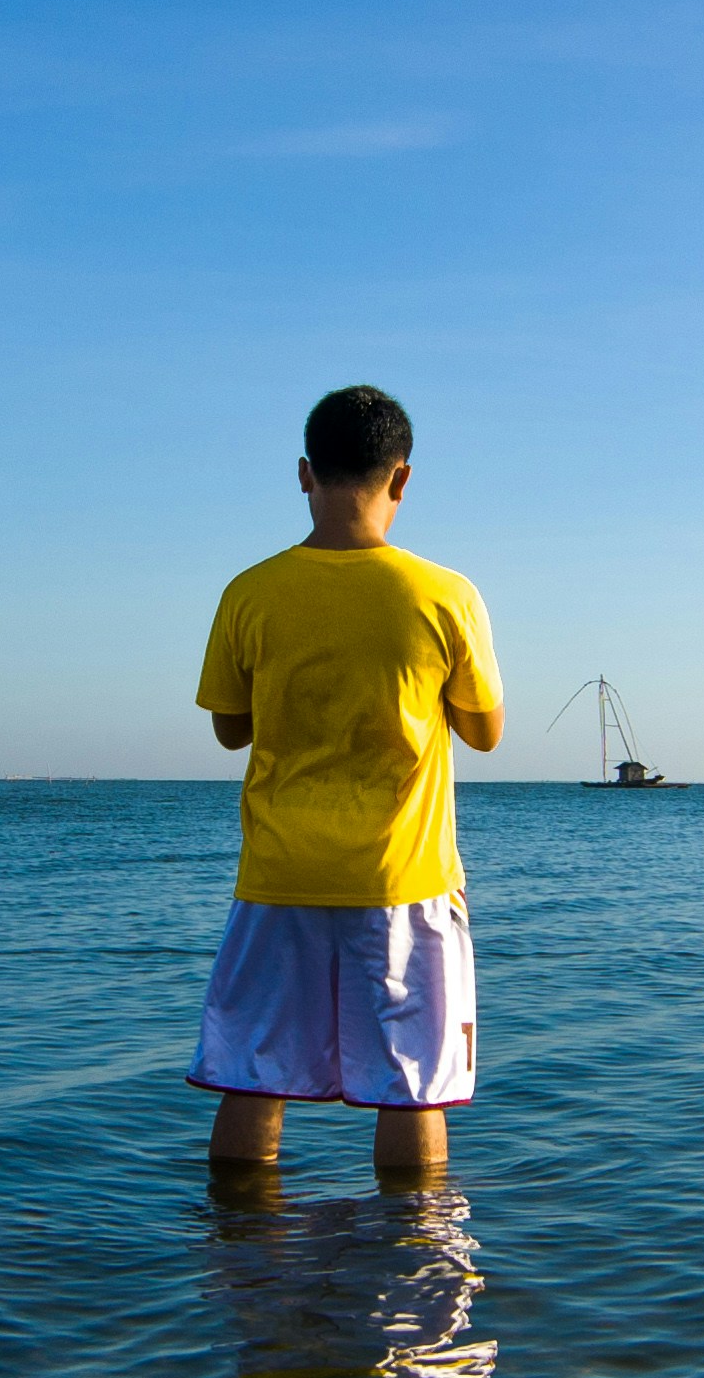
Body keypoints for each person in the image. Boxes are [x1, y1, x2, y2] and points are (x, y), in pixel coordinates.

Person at [190, 384, 505, 1180]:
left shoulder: (249, 591)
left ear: (304, 473)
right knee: (412, 1091)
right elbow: (485, 731)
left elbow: (231, 728)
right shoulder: (444, 595)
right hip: (402, 881)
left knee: (250, 1080)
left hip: (277, 878)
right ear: (400, 478)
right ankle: (408, 1282)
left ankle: (245, 1276)